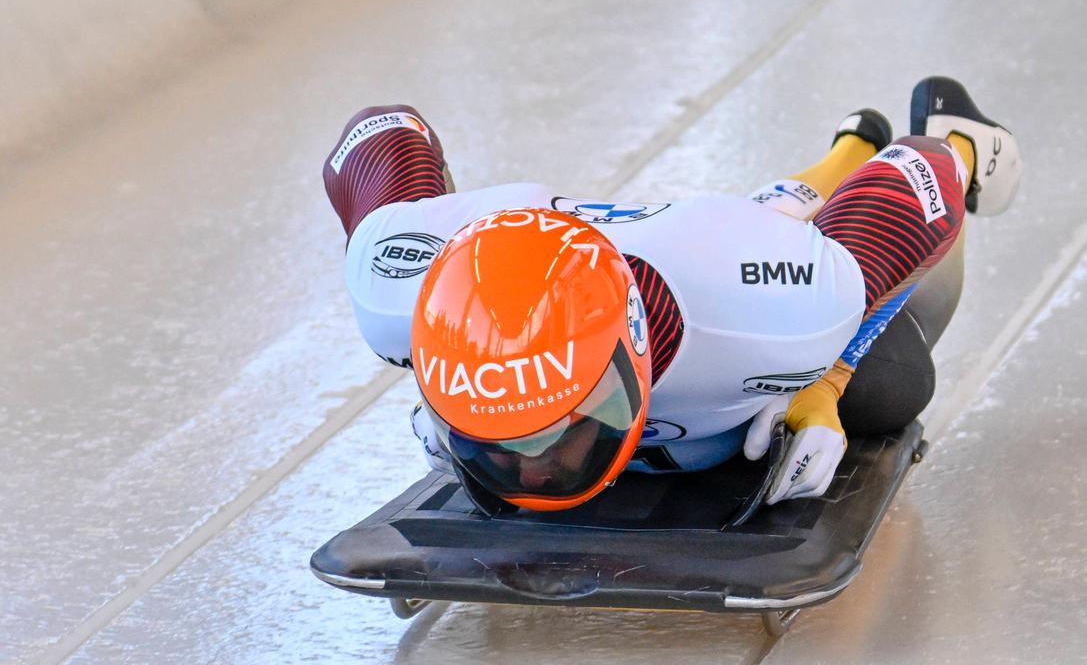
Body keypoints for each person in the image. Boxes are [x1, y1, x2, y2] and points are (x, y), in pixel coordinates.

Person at [324, 77, 1022, 512]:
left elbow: (923, 183)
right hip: (707, 254)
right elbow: (382, 133)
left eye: (556, 434)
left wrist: (828, 377)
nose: (531, 472)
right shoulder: (395, 288)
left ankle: (909, 138)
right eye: (499, 444)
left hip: (722, 271)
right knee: (779, 241)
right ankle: (849, 145)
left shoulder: (784, 310)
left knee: (895, 384)